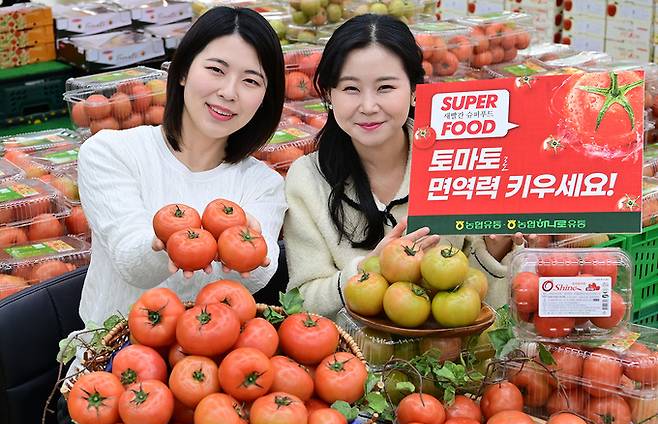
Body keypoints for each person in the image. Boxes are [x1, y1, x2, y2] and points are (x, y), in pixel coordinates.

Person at [283, 14, 525, 318]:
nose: (368, 106)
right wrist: (368, 268)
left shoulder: (457, 162)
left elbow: (486, 306)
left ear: (413, 91)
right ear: (329, 95)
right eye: (350, 89)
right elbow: (301, 303)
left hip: (450, 357)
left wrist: (494, 249)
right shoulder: (307, 178)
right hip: (349, 359)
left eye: (385, 87)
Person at [75, 6, 287, 328]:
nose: (228, 92)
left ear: (264, 98)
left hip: (210, 363)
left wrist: (250, 245)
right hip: (111, 359)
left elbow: (258, 275)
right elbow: (132, 262)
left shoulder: (264, 183)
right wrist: (175, 244)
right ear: (183, 70)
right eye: (216, 70)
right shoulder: (111, 153)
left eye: (250, 80)